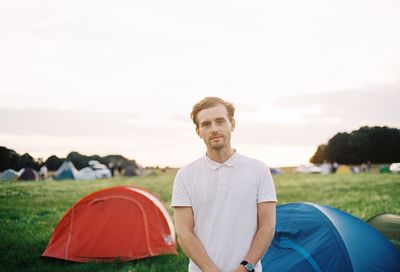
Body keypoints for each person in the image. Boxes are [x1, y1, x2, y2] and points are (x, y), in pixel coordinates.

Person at [171, 97, 277, 272]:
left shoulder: (258, 169)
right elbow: (184, 233)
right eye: (206, 124)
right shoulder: (185, 175)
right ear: (198, 131)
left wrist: (246, 267)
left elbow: (267, 226)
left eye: (220, 121)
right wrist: (211, 269)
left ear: (232, 124)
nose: (214, 129)